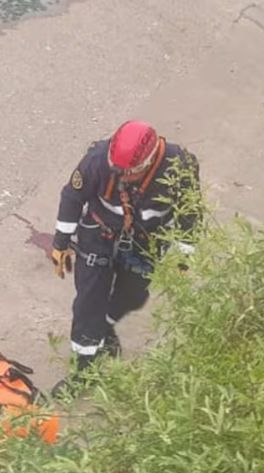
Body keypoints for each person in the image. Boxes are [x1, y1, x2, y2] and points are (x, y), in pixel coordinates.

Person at [50, 120, 201, 387]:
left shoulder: (180, 166)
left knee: (133, 295)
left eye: (127, 172)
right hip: (99, 235)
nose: (120, 177)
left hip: (145, 241)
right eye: (115, 170)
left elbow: (189, 212)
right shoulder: (97, 160)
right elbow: (72, 197)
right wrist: (61, 242)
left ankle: (105, 327)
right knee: (88, 303)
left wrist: (182, 259)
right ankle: (83, 371)